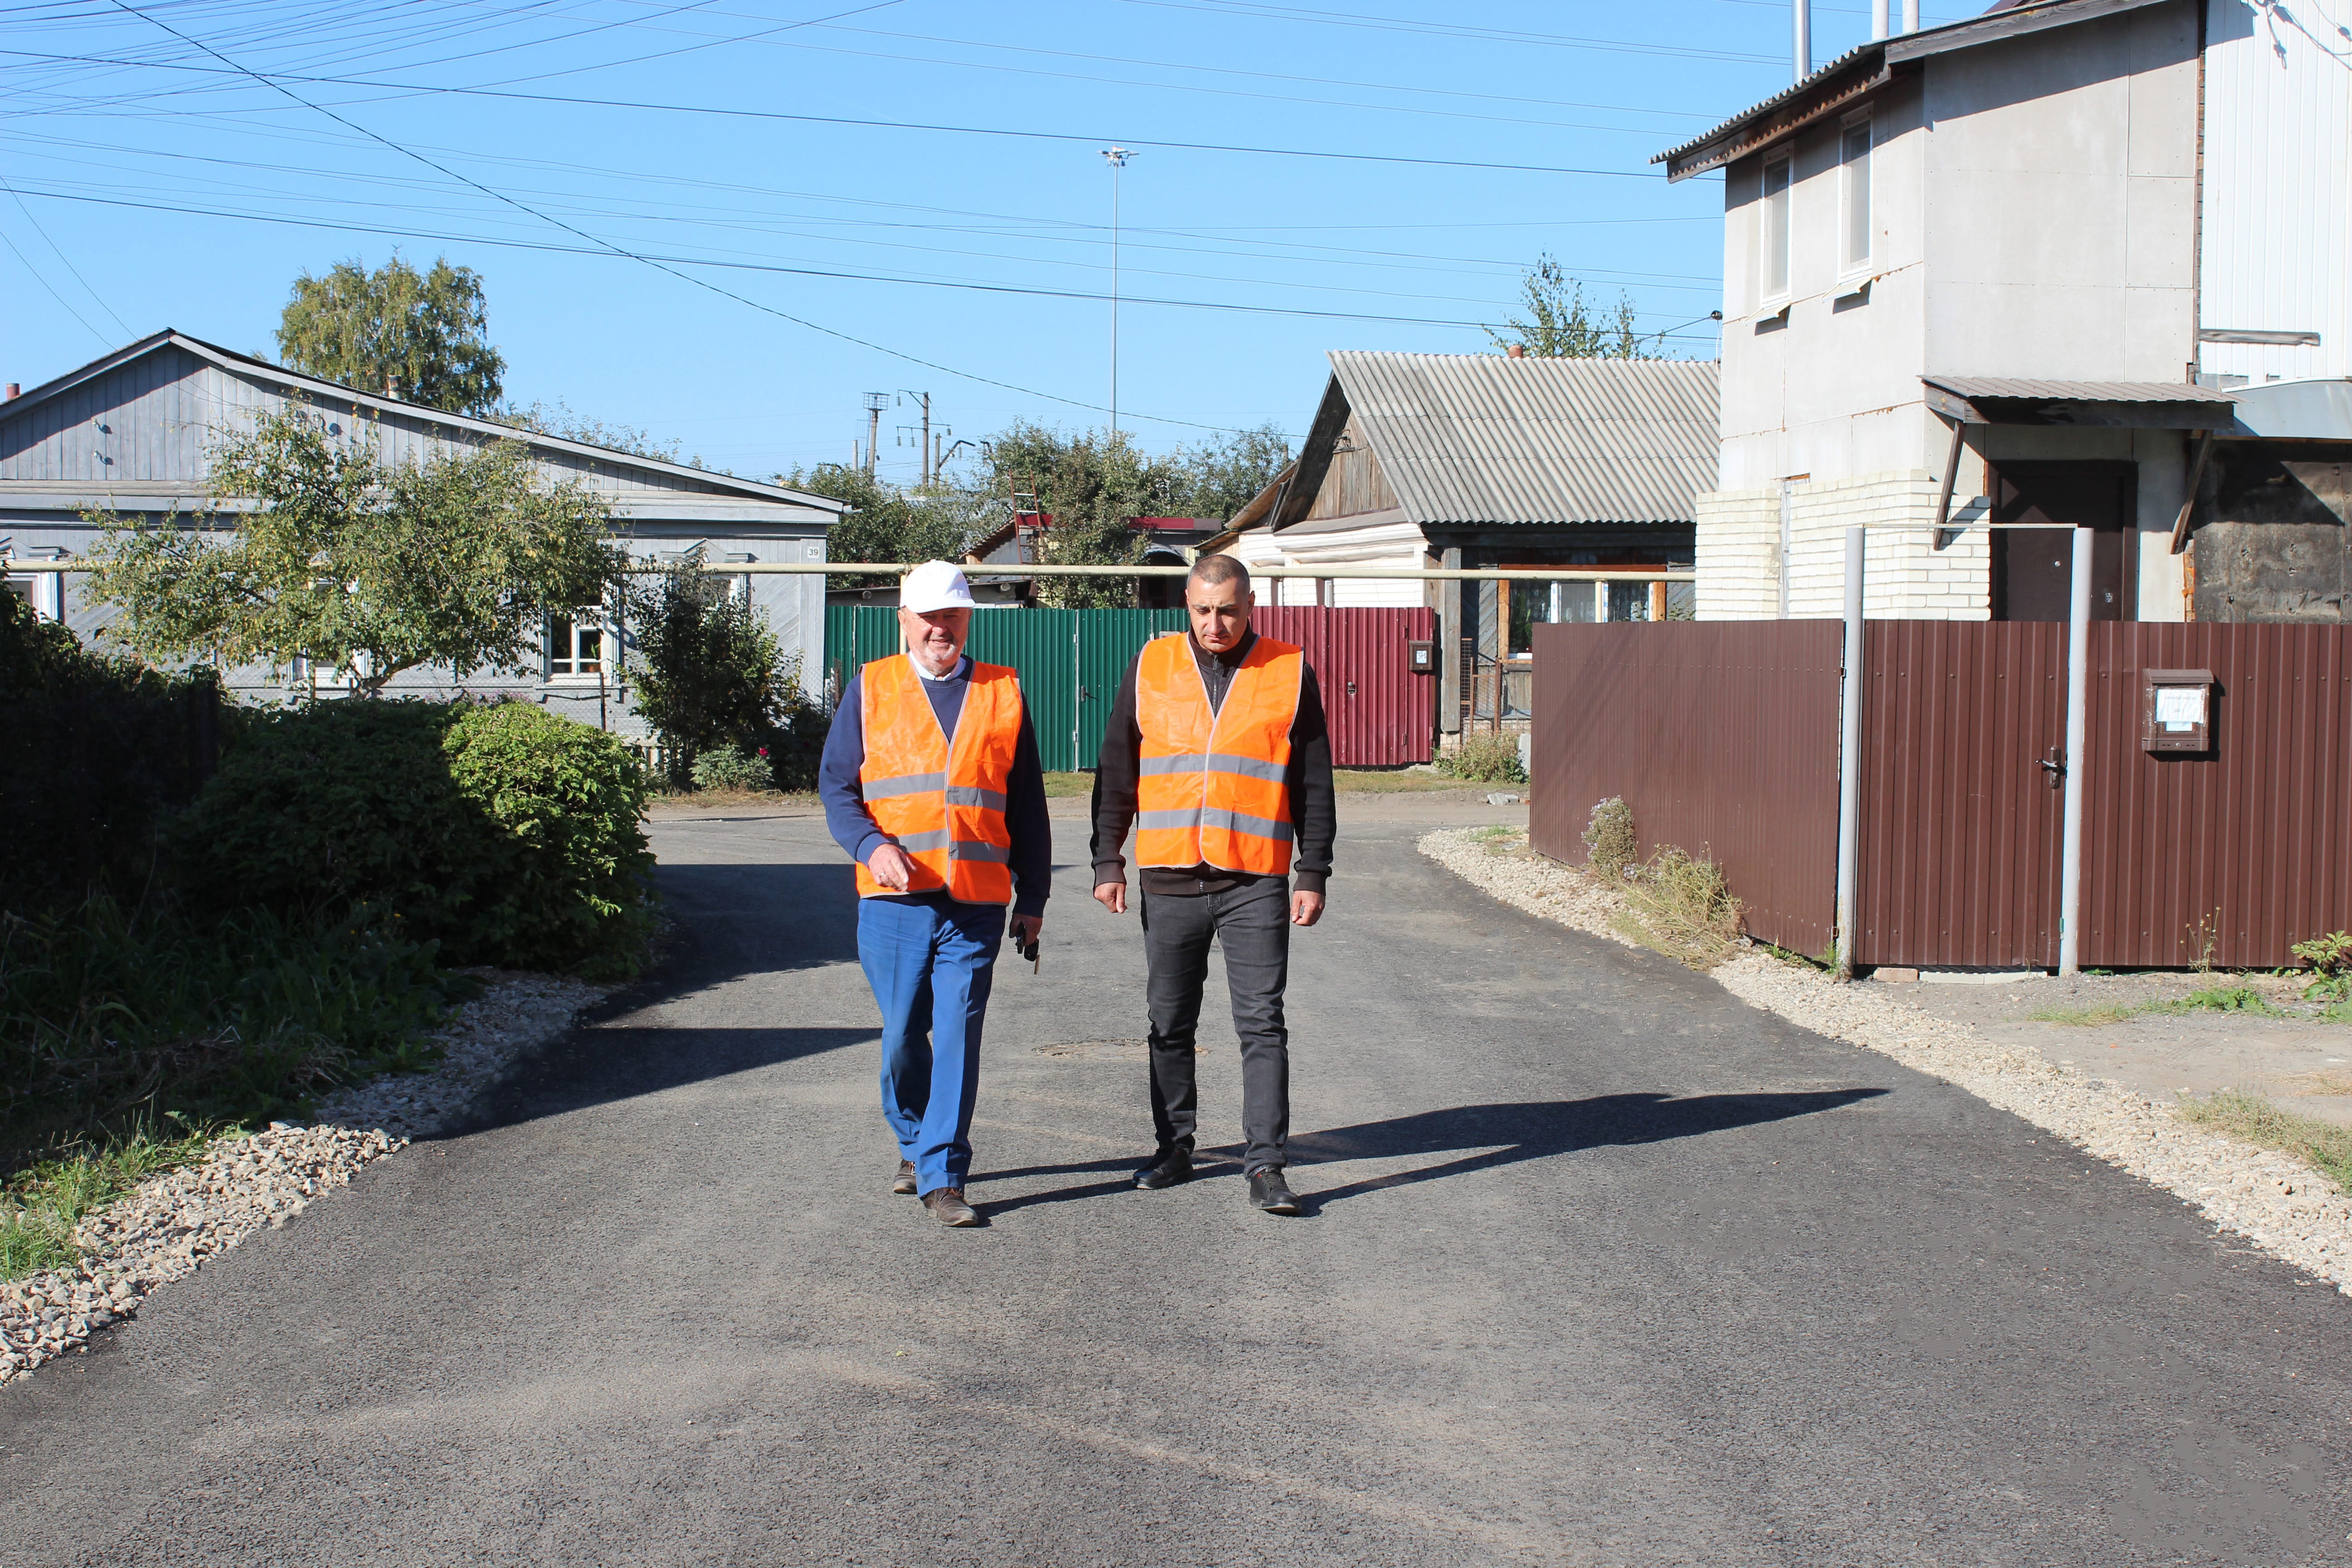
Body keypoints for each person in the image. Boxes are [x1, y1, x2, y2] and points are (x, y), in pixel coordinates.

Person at [1089, 555, 1336, 1215]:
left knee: (1262, 1024)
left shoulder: (1289, 670)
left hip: (1253, 877)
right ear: (1187, 605)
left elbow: (1313, 780)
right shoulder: (1152, 665)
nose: (1215, 623)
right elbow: (1118, 767)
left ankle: (1267, 1166)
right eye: (1203, 610)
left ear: (1250, 606)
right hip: (1169, 875)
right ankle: (1174, 1148)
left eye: (1227, 610)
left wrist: (1312, 870)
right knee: (1170, 1022)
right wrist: (1107, 859)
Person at [819, 560, 1051, 1227]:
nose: (939, 629)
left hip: (975, 904)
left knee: (956, 1035)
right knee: (902, 1036)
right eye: (927, 617)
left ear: (967, 620)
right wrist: (872, 846)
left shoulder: (1003, 692)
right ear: (904, 621)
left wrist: (1033, 900)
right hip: (894, 903)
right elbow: (837, 788)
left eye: (951, 616)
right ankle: (913, 1139)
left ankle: (943, 1174)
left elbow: (1027, 806)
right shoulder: (870, 688)